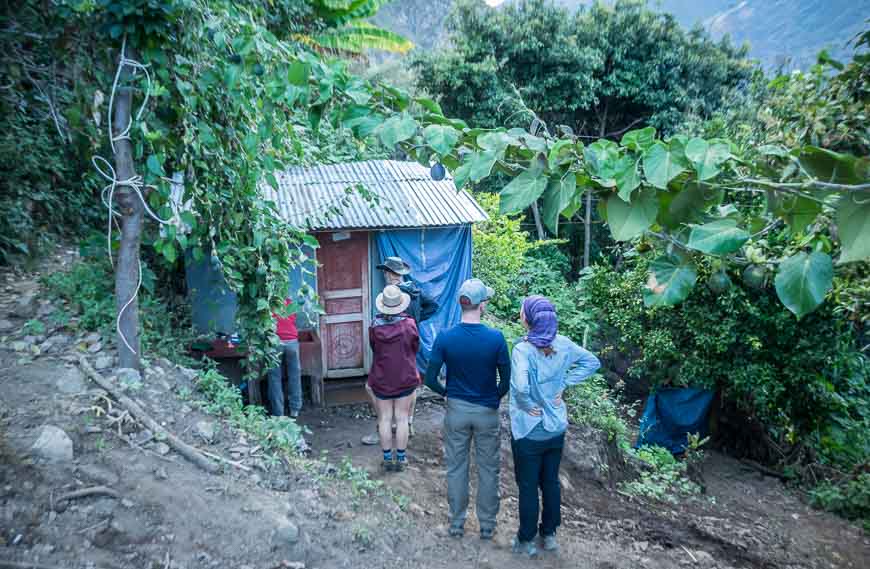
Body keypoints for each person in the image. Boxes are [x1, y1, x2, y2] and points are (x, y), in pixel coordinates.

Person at [509, 295, 600, 557]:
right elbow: (592, 362)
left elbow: (521, 387)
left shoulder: (523, 350)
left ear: (527, 319)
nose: (520, 312)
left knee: (527, 485)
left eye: (521, 309)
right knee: (550, 482)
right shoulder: (564, 344)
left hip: (528, 430)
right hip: (556, 427)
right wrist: (565, 383)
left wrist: (526, 405)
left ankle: (525, 540)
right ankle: (548, 535)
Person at [424, 278, 510, 540]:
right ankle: (486, 525)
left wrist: (447, 393)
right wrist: (494, 396)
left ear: (462, 303)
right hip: (486, 412)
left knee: (457, 467)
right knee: (487, 468)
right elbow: (506, 380)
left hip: (456, 411)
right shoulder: (495, 338)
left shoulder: (446, 338)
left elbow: (430, 379)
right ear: (481, 305)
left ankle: (457, 523)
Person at [362, 256, 439, 445]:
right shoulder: (414, 290)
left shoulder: (391, 294)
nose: (385, 275)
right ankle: (408, 422)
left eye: (386, 272)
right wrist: (417, 320)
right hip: (410, 341)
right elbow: (434, 306)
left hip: (391, 345)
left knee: (377, 386)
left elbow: (377, 334)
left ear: (390, 274)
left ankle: (384, 425)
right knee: (410, 382)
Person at [368, 284, 421, 472]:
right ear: (401, 304)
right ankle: (401, 459)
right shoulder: (409, 324)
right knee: (401, 417)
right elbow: (415, 347)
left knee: (384, 418)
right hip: (405, 376)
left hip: (382, 376)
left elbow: (374, 348)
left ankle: (387, 459)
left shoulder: (374, 325)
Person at [267, 298, 303, 419]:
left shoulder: (269, 303)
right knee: (295, 375)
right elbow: (292, 320)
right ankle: (295, 409)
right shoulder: (291, 302)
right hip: (292, 341)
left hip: (274, 342)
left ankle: (278, 413)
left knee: (274, 378)